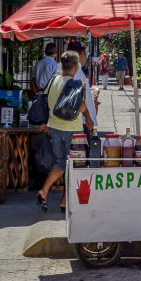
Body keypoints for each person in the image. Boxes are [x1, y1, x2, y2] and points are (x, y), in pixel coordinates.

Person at [37, 51, 95, 212]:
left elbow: (46, 101)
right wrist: (89, 119)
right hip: (73, 130)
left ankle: (44, 190)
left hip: (54, 128)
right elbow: (81, 106)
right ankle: (65, 201)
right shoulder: (74, 84)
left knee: (61, 162)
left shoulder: (52, 81)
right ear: (76, 67)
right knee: (74, 165)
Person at [66, 41, 98, 130]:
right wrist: (88, 118)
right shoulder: (76, 71)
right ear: (82, 54)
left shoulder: (64, 70)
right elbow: (78, 99)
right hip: (78, 120)